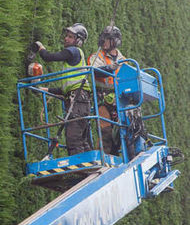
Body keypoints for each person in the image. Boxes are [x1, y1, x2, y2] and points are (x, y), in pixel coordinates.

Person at [35, 23, 92, 156]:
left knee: (73, 139)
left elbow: (49, 57)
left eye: (70, 37)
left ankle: (83, 172)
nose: (66, 38)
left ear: (78, 41)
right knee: (81, 140)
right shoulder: (75, 58)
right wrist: (47, 90)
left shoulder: (73, 51)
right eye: (66, 36)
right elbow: (67, 88)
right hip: (80, 101)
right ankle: (92, 166)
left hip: (77, 102)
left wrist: (40, 47)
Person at [87, 26, 126, 155]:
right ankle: (103, 159)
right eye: (103, 38)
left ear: (115, 41)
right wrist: (109, 68)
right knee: (105, 131)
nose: (103, 41)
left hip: (119, 100)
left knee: (123, 132)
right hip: (102, 99)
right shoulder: (96, 56)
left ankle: (116, 156)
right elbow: (94, 70)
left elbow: (128, 77)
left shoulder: (123, 60)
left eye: (107, 39)